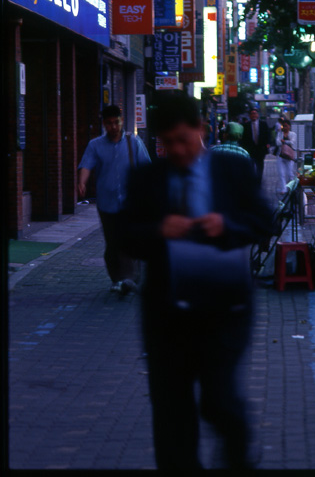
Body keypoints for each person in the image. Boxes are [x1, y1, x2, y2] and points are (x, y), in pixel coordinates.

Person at [120, 92, 274, 470]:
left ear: (201, 130)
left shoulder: (232, 171)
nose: (176, 150)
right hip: (167, 312)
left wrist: (227, 226)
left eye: (183, 140)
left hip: (225, 306)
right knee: (171, 411)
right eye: (167, 143)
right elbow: (124, 237)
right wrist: (159, 230)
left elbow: (263, 222)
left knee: (219, 398)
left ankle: (238, 456)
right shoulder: (147, 179)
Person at [77, 104, 151, 294]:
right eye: (109, 123)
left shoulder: (134, 142)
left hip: (130, 202)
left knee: (128, 239)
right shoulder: (96, 145)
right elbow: (86, 165)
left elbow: (146, 168)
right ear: (104, 124)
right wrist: (82, 182)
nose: (113, 127)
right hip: (107, 203)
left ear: (122, 121)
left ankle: (129, 278)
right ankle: (117, 279)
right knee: (112, 243)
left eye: (116, 122)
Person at [241, 107, 271, 181]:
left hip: (261, 149)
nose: (253, 115)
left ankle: (259, 180)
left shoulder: (263, 124)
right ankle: (251, 179)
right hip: (250, 149)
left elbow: (268, 134)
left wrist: (268, 144)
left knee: (260, 165)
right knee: (250, 165)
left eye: (255, 113)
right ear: (249, 116)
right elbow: (243, 138)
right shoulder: (246, 125)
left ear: (257, 115)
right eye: (252, 114)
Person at [276, 118, 297, 194]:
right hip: (281, 155)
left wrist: (284, 141)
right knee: (281, 173)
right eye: (283, 126)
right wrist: (285, 142)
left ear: (289, 126)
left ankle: (291, 188)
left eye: (286, 126)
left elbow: (292, 142)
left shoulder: (293, 134)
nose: (284, 127)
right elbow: (277, 143)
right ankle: (283, 188)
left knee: (290, 173)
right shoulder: (280, 134)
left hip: (289, 156)